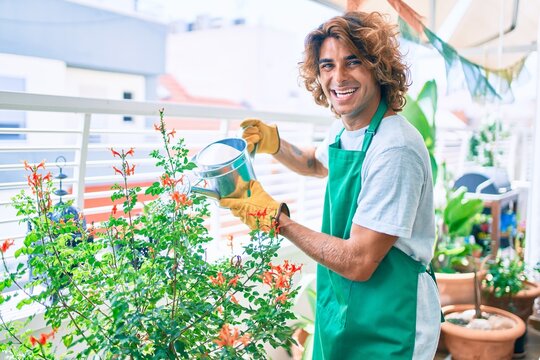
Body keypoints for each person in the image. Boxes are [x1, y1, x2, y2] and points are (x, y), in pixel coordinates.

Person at [219, 11, 441, 359]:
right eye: (327, 65)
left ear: (378, 67)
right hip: (344, 304)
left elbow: (360, 260)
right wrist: (274, 144)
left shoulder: (394, 148)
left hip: (392, 316)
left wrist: (277, 220)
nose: (338, 77)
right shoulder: (346, 131)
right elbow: (314, 162)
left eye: (352, 62)